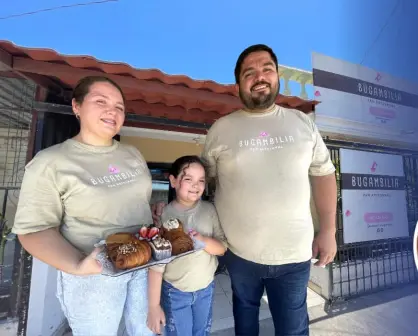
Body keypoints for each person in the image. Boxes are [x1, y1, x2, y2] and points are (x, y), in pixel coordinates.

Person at [153, 44, 337, 336]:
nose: (259, 76)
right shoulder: (221, 130)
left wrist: (328, 230)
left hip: (293, 257)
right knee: (245, 327)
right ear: (238, 85)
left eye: (267, 69)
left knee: (293, 331)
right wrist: (170, 207)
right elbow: (201, 183)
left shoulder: (302, 123)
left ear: (277, 76)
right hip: (239, 256)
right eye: (249, 73)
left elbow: (324, 174)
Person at [12, 76, 154, 336]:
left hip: (143, 261)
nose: (112, 111)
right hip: (94, 272)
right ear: (76, 107)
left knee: (146, 331)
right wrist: (77, 266)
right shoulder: (51, 162)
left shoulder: (132, 154)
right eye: (101, 101)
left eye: (119, 106)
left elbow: (137, 202)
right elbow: (33, 230)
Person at [147, 155, 227, 336]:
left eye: (201, 180)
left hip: (205, 288)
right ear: (173, 181)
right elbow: (156, 266)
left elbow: (222, 248)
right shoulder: (162, 216)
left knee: (201, 333)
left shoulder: (210, 210)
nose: (196, 185)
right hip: (175, 292)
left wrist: (203, 240)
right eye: (188, 179)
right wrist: (153, 306)